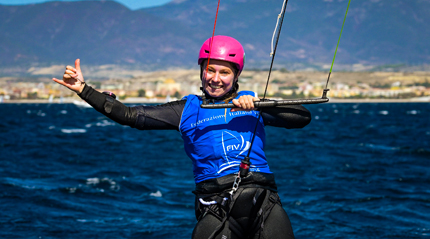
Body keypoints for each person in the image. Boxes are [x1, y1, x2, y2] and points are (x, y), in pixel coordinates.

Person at [53, 35, 311, 239]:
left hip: (263, 202)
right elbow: (130, 116)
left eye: (225, 73)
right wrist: (84, 90)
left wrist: (261, 105)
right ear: (201, 71)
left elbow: (302, 118)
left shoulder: (253, 103)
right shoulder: (186, 109)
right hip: (215, 205)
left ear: (236, 76)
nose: (216, 79)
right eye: (211, 70)